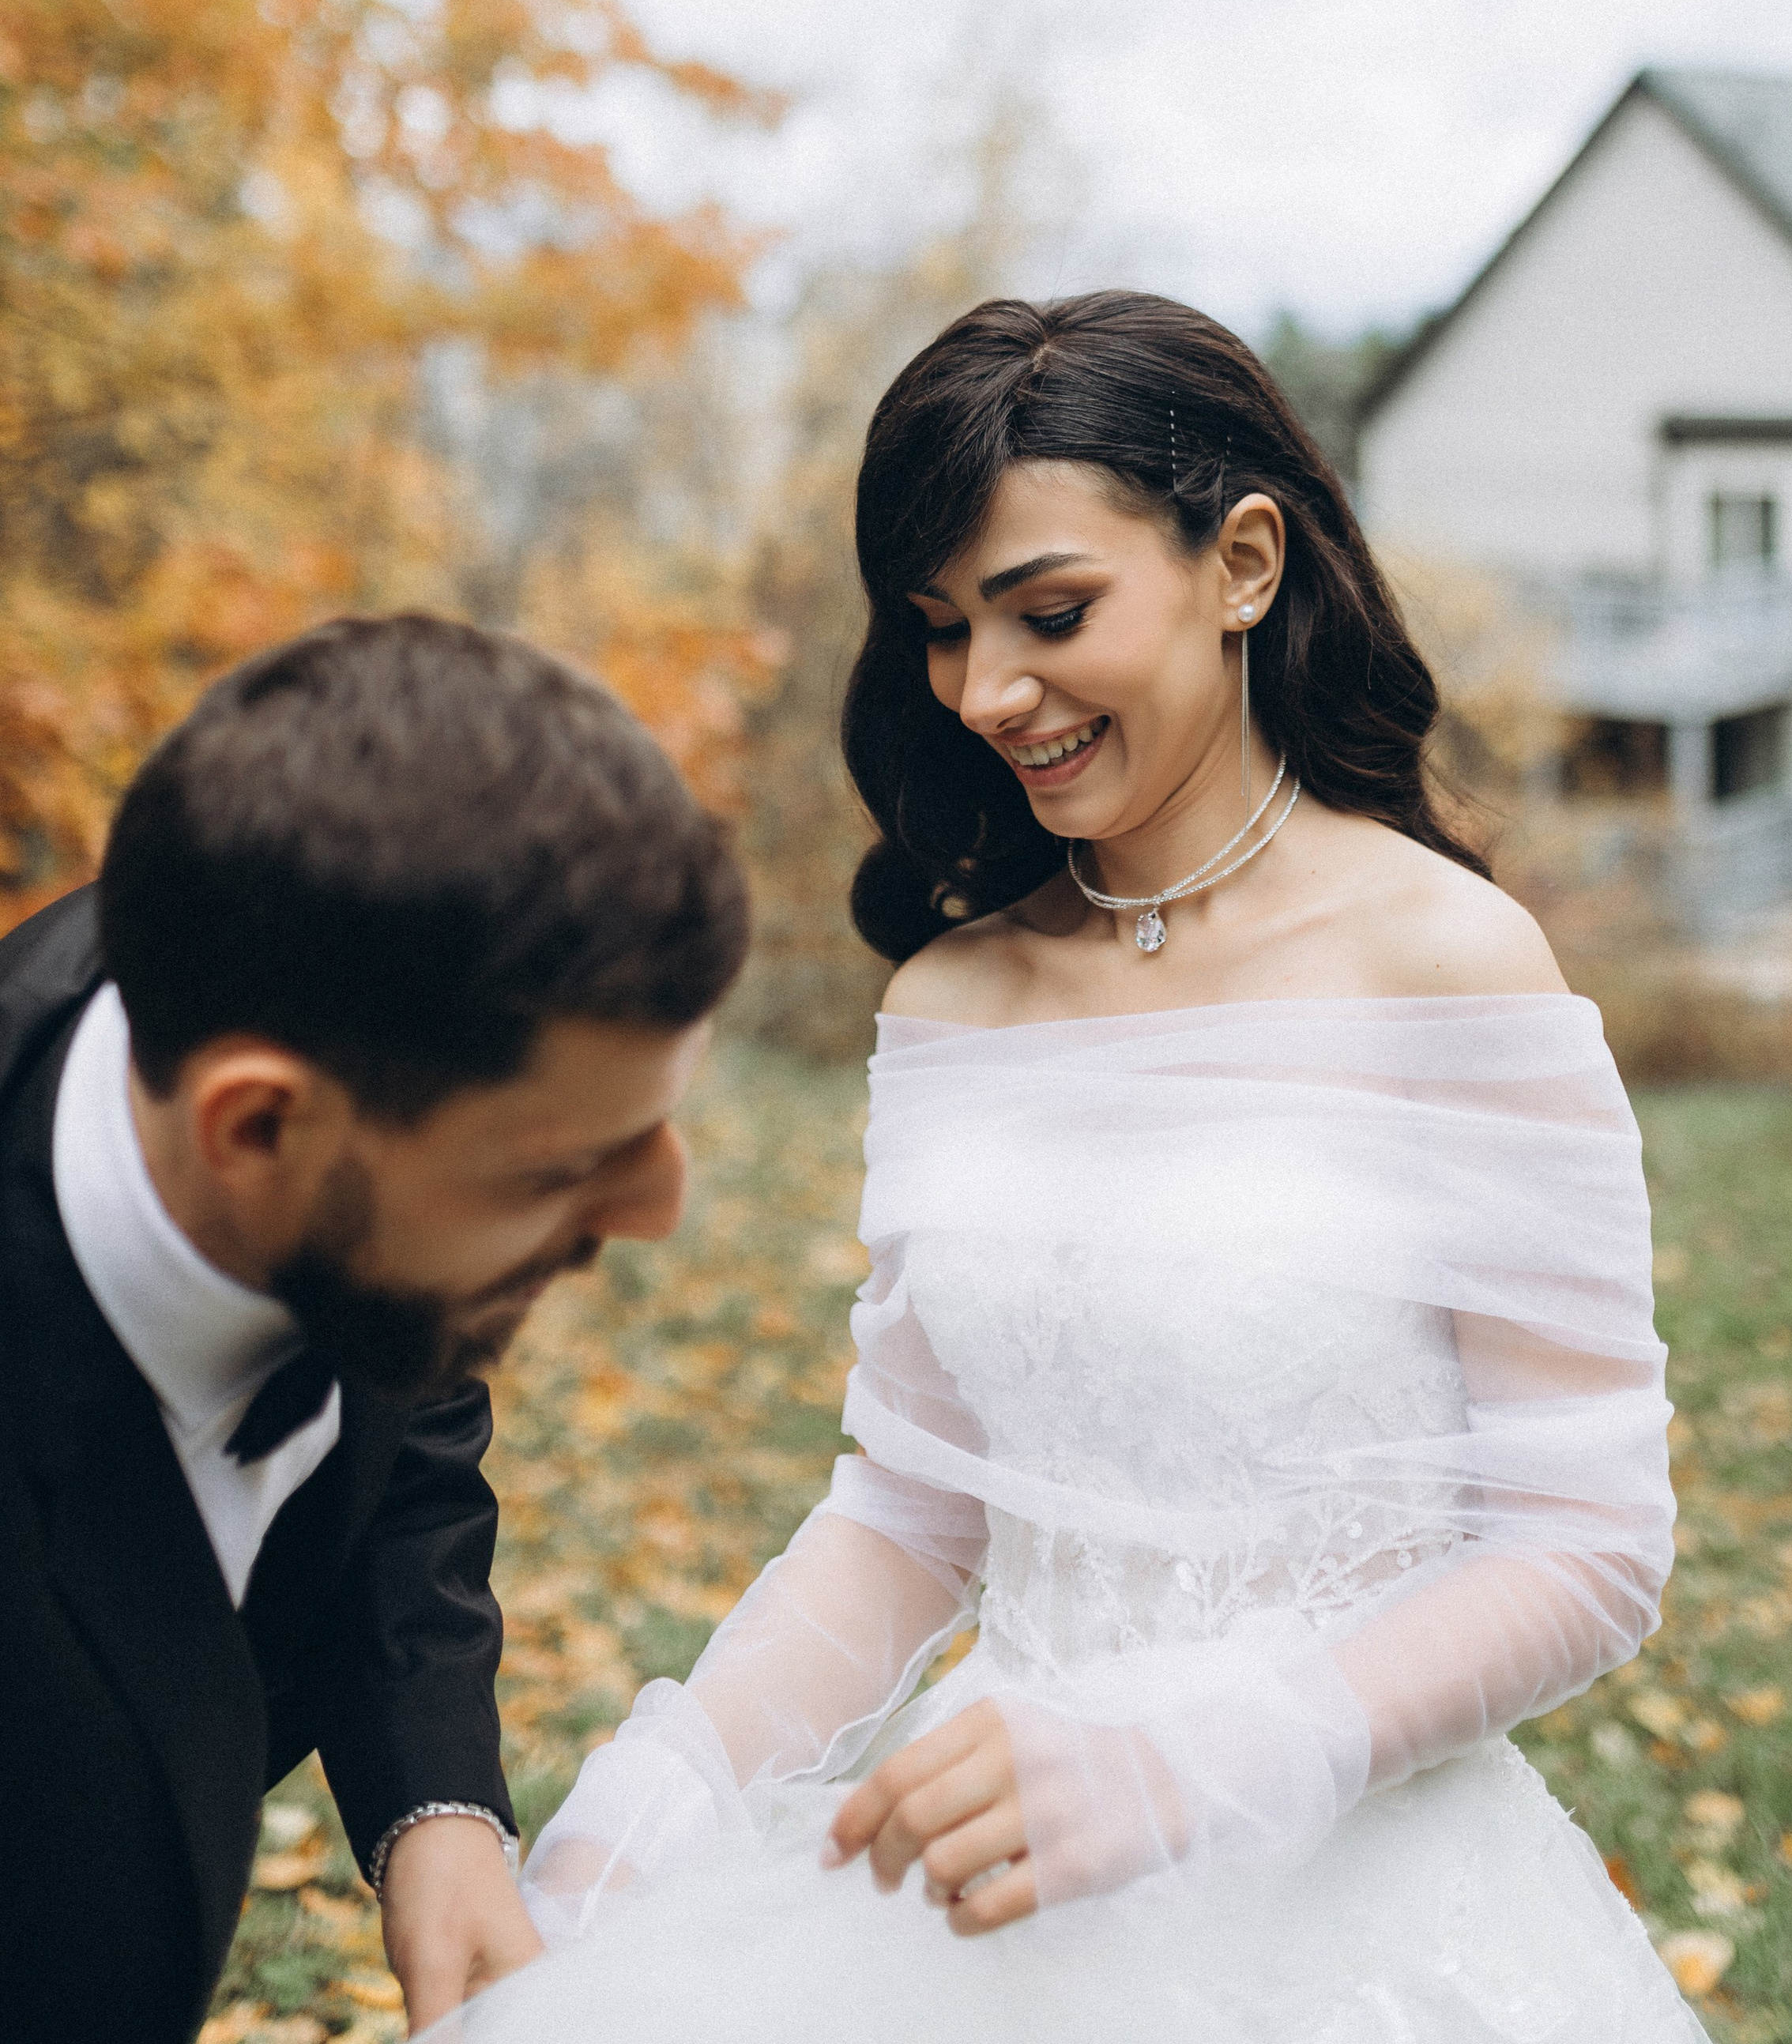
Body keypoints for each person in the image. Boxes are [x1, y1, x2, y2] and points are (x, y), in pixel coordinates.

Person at [461, 290, 1704, 2043]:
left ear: (1243, 561)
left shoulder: (1447, 963)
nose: (984, 693)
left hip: (1347, 1913)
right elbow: (906, 1514)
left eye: (1049, 614)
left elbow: (1584, 1548)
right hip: (971, 1901)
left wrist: (1194, 1765)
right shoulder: (955, 1003)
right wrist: (630, 1826)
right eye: (941, 632)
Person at [0, 612, 748, 2044]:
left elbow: (406, 1401)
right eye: (554, 1170)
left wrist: (435, 1801)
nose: (655, 1211)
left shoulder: (281, 1003)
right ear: (258, 1125)